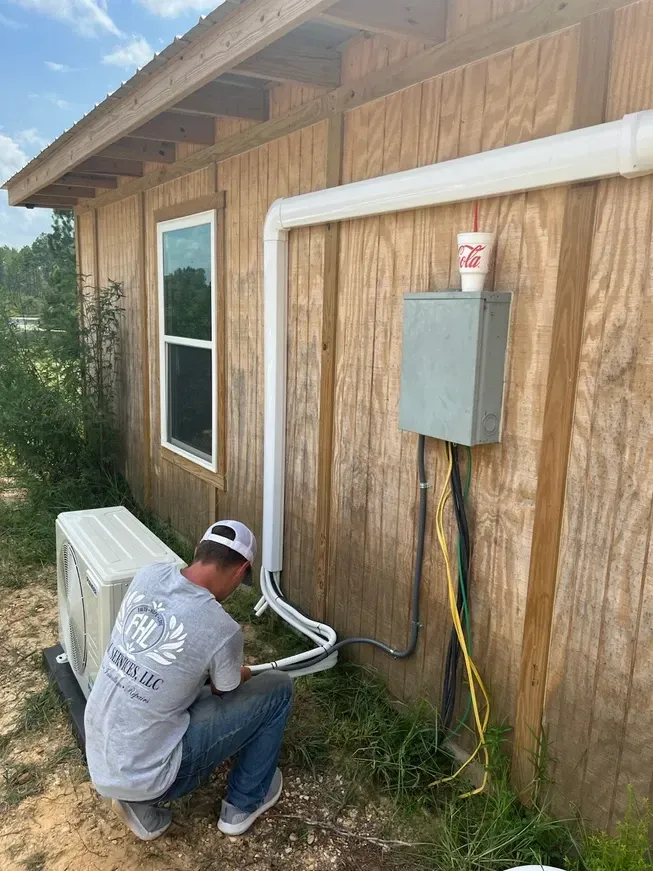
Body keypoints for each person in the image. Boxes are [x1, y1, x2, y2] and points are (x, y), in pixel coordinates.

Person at [84, 520, 293, 841]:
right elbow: (226, 690)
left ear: (198, 550)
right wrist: (244, 673)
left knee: (168, 692)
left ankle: (138, 805)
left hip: (100, 754)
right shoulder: (222, 628)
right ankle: (245, 802)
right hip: (149, 774)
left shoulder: (149, 575)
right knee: (277, 687)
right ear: (241, 571)